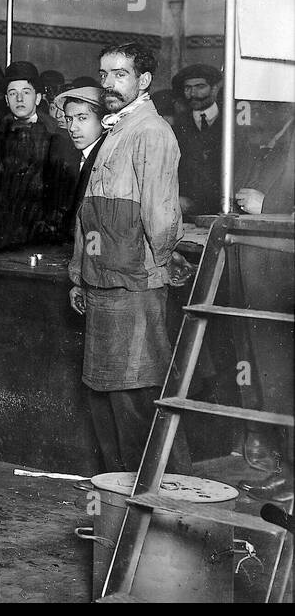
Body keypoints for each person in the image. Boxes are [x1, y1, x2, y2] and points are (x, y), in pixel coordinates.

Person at [68, 41, 191, 475]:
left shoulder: (151, 133)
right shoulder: (115, 131)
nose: (108, 84)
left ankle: (163, 501)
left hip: (134, 286)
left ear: (144, 81)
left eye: (119, 74)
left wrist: (158, 265)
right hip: (105, 284)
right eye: (104, 75)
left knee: (136, 397)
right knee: (106, 397)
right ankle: (120, 499)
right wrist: (81, 272)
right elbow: (92, 216)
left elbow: (161, 218)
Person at [233, 114, 295, 503]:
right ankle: (288, 471)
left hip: (282, 269)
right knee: (276, 376)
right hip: (270, 273)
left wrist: (265, 204)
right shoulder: (284, 127)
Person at [0, 60, 78, 250]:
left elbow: (65, 195)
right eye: (13, 93)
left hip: (45, 240)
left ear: (38, 98)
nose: (19, 99)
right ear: (6, 100)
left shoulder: (57, 136)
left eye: (26, 92)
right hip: (3, 239)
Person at [171, 63, 225, 219]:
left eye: (200, 87)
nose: (192, 93)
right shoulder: (177, 126)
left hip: (222, 211)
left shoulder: (230, 124)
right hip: (188, 213)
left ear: (215, 88)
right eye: (187, 88)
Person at [54, 84, 108, 232]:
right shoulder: (72, 156)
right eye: (69, 119)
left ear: (103, 120)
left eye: (82, 118)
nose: (72, 128)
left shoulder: (107, 160)